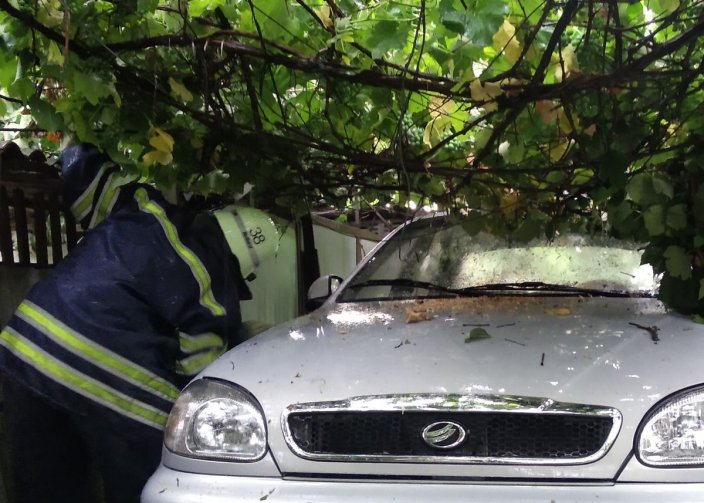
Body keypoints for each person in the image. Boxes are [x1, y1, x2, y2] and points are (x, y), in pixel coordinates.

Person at [0, 143, 278, 503]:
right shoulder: (215, 300)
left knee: (43, 489)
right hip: (116, 391)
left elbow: (80, 170)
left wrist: (88, 140)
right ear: (243, 272)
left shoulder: (144, 208)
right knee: (152, 478)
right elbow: (195, 384)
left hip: (27, 351)